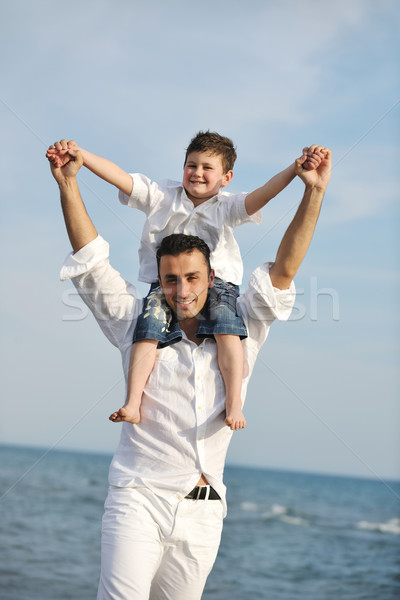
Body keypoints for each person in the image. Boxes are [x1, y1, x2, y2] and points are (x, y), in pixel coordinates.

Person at [48, 142, 331, 600]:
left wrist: (312, 193)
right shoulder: (134, 322)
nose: (181, 290)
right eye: (170, 279)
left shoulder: (241, 328)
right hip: (138, 498)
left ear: (212, 275)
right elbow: (91, 263)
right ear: (158, 281)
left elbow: (284, 270)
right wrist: (68, 185)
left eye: (192, 278)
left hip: (204, 513)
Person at [47, 133, 319, 431]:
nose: (197, 173)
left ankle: (234, 402)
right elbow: (122, 179)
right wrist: (82, 158)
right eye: (191, 165)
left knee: (229, 335)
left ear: (226, 178)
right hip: (160, 285)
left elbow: (264, 193)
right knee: (147, 333)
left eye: (207, 168)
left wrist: (295, 172)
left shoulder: (227, 206)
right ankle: (133, 401)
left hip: (221, 286)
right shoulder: (162, 195)